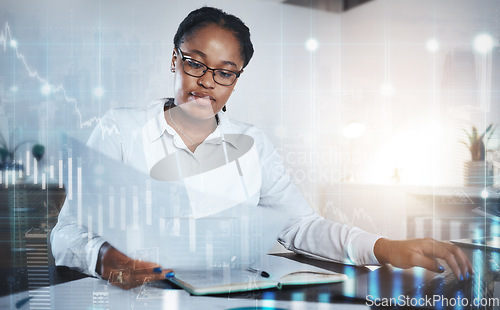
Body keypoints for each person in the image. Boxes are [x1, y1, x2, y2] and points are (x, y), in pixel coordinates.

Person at [51, 6, 472, 290]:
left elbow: (298, 226)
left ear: (237, 79)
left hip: (231, 294)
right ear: (174, 60)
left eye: (225, 72)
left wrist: (384, 247)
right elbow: (66, 232)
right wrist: (104, 257)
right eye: (195, 63)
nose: (207, 81)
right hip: (139, 295)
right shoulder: (120, 130)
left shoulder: (252, 144)